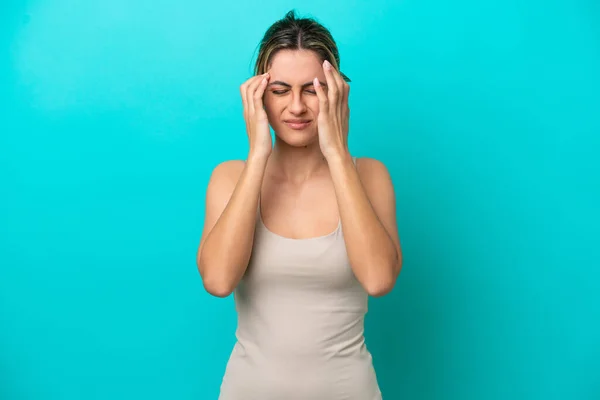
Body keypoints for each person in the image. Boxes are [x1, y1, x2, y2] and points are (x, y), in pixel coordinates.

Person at [196, 10, 402, 400]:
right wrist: (258, 153)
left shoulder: (370, 175)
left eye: (312, 89)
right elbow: (218, 281)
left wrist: (338, 153)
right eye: (280, 91)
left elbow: (379, 279)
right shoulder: (228, 178)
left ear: (335, 91)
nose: (296, 107)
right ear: (258, 95)